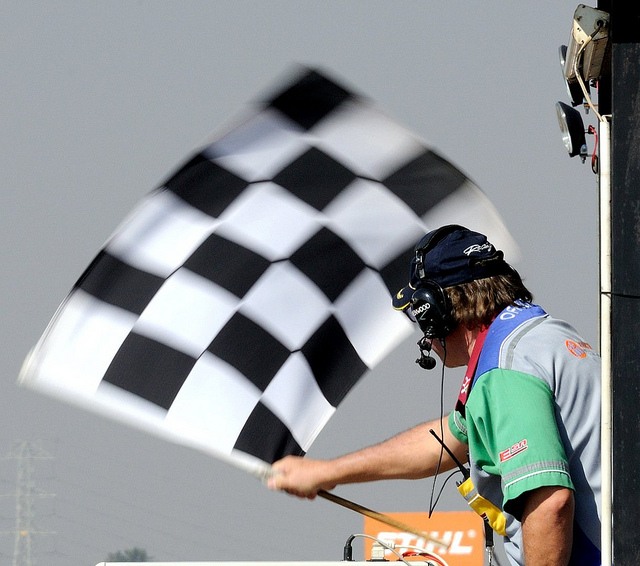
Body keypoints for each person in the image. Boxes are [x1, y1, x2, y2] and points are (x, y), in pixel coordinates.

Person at [267, 225, 602, 566]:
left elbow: (550, 504)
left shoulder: (503, 372)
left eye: (417, 315)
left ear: (436, 311)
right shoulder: (541, 335)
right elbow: (446, 440)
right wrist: (327, 472)